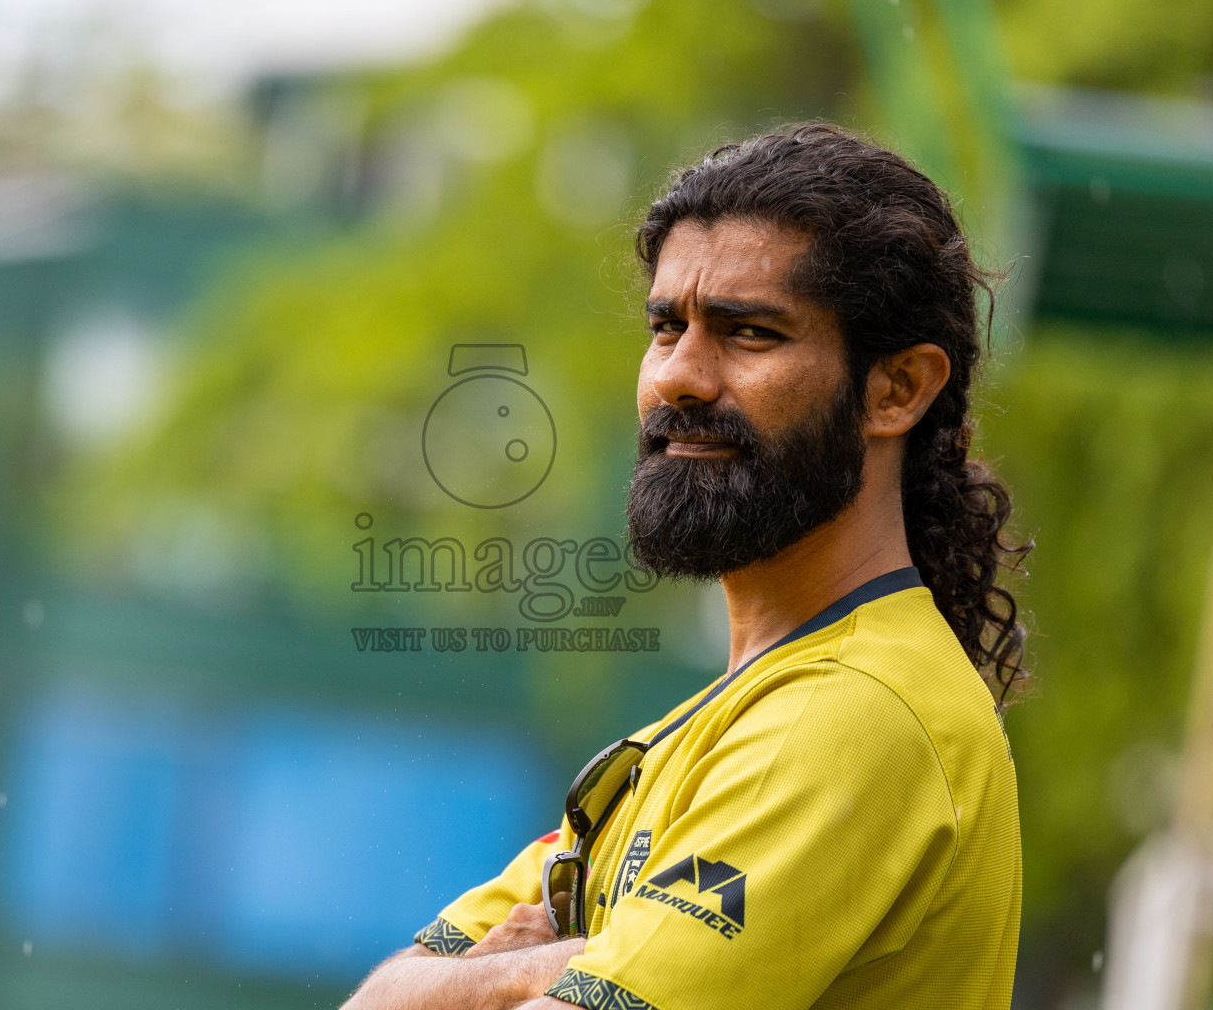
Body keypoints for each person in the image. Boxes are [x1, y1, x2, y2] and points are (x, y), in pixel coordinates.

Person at [342, 122, 1030, 1010]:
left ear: (896, 389)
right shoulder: (713, 725)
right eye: (668, 327)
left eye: (749, 334)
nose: (680, 378)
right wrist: (553, 966)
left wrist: (505, 976)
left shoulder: (855, 716)